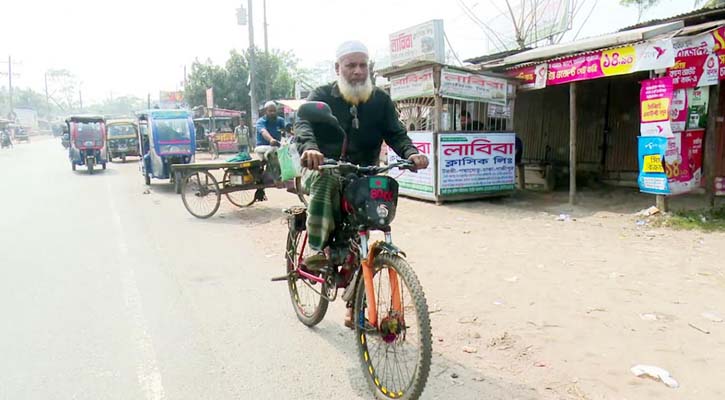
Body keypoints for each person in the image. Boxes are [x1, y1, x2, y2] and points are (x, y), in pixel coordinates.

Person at [295, 41, 428, 275]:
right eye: (351, 65)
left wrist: (411, 153)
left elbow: (395, 133)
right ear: (338, 68)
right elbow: (303, 123)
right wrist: (310, 149)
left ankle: (354, 303)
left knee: (369, 218)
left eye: (363, 65)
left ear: (369, 68)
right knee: (327, 180)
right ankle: (316, 248)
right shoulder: (322, 95)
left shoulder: (380, 100)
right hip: (323, 168)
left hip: (364, 173)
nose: (357, 71)